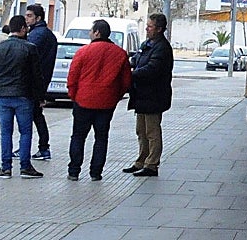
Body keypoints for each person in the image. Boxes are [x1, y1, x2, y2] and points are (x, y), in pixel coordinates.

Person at [65, 19, 132, 181]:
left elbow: (72, 77)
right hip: (106, 102)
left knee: (78, 136)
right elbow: (126, 81)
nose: (89, 33)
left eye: (91, 30)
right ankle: (96, 172)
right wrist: (115, 96)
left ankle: (74, 171)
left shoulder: (83, 52)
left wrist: (74, 96)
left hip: (83, 100)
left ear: (97, 33)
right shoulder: (120, 54)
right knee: (101, 138)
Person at [0, 14, 44, 178]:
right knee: (25, 132)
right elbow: (37, 76)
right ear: (23, 29)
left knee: (5, 132)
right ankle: (25, 167)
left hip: (2, 95)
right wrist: (39, 97)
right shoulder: (30, 48)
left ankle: (6, 167)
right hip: (23, 95)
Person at [123, 13, 173, 177]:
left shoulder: (162, 48)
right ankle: (141, 160)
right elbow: (136, 60)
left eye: (150, 26)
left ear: (159, 29)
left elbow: (152, 69)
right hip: (141, 95)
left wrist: (131, 75)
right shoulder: (147, 44)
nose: (147, 29)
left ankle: (151, 164)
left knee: (152, 132)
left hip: (154, 96)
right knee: (141, 131)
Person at [23, 4, 57, 160]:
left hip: (33, 82)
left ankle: (40, 148)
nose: (26, 18)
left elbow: (26, 55)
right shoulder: (47, 34)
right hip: (41, 81)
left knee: (31, 116)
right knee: (36, 115)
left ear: (38, 18)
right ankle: (42, 147)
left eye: (29, 16)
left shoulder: (37, 35)